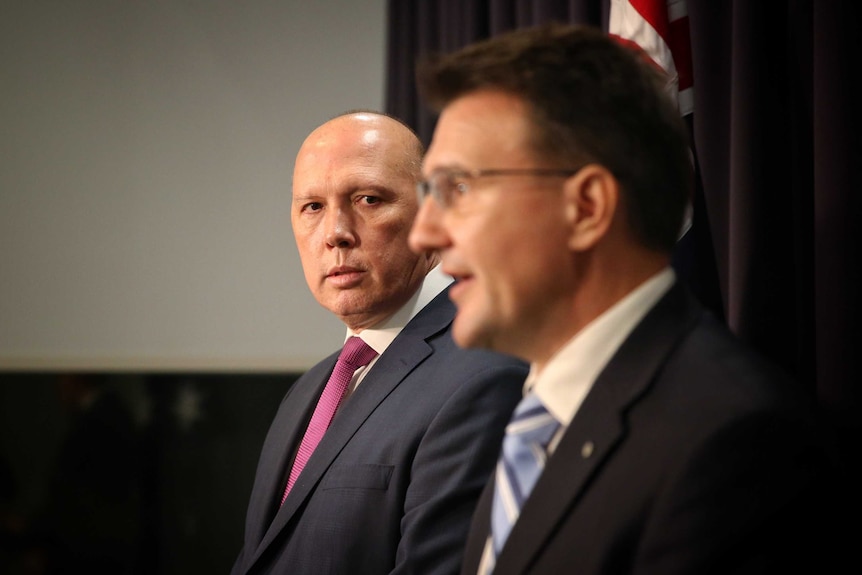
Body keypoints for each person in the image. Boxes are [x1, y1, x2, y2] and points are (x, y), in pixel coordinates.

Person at [408, 24, 828, 575]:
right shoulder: (534, 419)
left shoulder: (733, 446)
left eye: (458, 188)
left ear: (585, 207)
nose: (424, 234)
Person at [231, 111, 528, 575]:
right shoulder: (310, 390)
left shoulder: (484, 375)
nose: (335, 234)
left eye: (368, 199)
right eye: (312, 207)